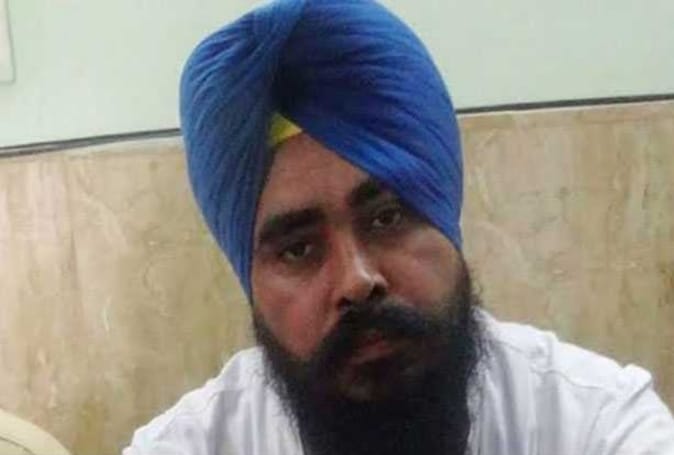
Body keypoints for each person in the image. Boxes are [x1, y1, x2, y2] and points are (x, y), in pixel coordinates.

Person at [123, 1, 674, 454]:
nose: (357, 281)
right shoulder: (190, 445)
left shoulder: (595, 424)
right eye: (298, 249)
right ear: (250, 282)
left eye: (386, 218)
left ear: (445, 217)